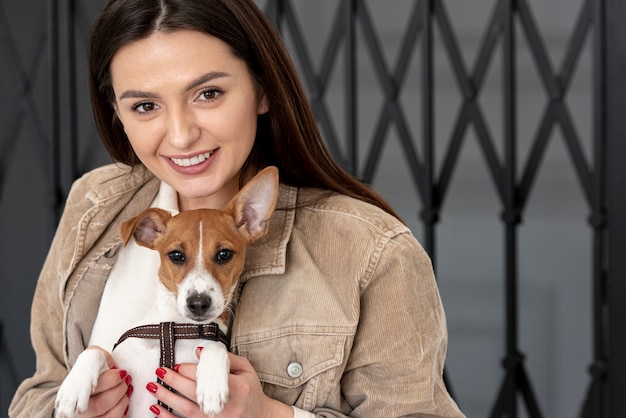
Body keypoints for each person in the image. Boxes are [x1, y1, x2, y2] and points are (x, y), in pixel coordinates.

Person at [10, 0, 464, 417]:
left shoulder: (370, 249)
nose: (182, 135)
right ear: (118, 113)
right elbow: (39, 392)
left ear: (262, 89)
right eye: (146, 105)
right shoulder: (94, 205)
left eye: (208, 94)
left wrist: (271, 415)